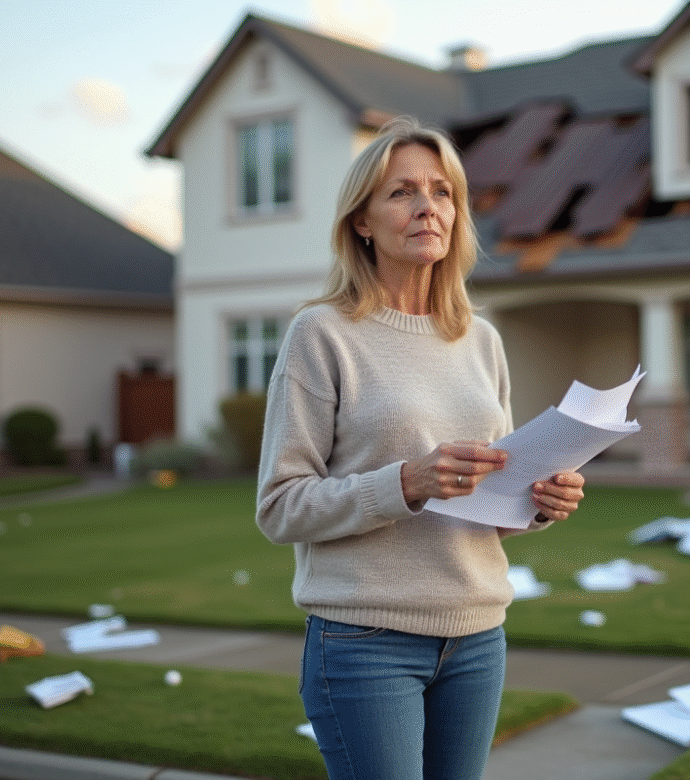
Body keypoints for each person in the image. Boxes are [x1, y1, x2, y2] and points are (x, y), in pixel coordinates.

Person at [255, 115, 586, 780]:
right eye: (402, 192)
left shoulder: (480, 339)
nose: (427, 206)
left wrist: (540, 498)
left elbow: (493, 495)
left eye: (442, 192)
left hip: (477, 635)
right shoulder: (320, 334)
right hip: (363, 642)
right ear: (363, 222)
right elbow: (280, 508)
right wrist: (405, 483)